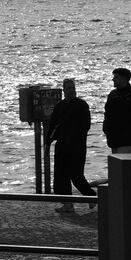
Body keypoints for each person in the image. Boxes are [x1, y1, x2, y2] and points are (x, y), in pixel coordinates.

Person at [46, 78, 96, 214]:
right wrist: (48, 140)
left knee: (76, 175)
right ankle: (68, 204)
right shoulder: (60, 106)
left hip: (76, 146)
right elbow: (52, 124)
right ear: (64, 90)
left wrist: (72, 134)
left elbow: (86, 126)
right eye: (68, 88)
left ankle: (92, 197)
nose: (71, 91)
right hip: (62, 145)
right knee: (61, 177)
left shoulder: (82, 105)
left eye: (73, 88)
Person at [102, 68, 131, 155]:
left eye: (116, 77)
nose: (113, 79)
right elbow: (107, 114)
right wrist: (106, 128)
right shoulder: (112, 94)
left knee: (123, 165)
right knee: (115, 166)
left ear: (124, 79)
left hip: (127, 140)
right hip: (113, 139)